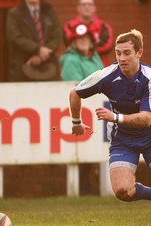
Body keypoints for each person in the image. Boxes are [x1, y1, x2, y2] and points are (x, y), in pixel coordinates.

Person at [68, 29, 151, 226]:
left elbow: (146, 119)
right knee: (122, 191)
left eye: (127, 53)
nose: (122, 58)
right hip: (123, 140)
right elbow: (74, 93)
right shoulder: (107, 75)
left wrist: (114, 117)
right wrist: (76, 123)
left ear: (139, 53)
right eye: (118, 53)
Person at [60, 23, 103, 195]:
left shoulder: (95, 58)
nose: (84, 42)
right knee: (81, 152)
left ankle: (88, 189)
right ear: (73, 42)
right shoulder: (71, 60)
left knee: (92, 151)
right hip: (80, 109)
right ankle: (82, 190)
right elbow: (77, 88)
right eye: (80, 39)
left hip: (95, 108)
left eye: (87, 38)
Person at [6, 0, 63, 82]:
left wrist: (42, 55)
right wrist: (37, 49)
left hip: (49, 67)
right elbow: (14, 37)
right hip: (23, 67)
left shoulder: (49, 11)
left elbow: (57, 35)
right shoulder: (14, 14)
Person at [63, 0, 113, 67]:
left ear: (94, 8)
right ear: (78, 8)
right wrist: (94, 44)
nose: (87, 7)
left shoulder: (104, 26)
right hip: (76, 66)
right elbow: (69, 44)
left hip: (99, 66)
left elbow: (107, 46)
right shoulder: (69, 26)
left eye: (90, 4)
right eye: (84, 4)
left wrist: (83, 47)